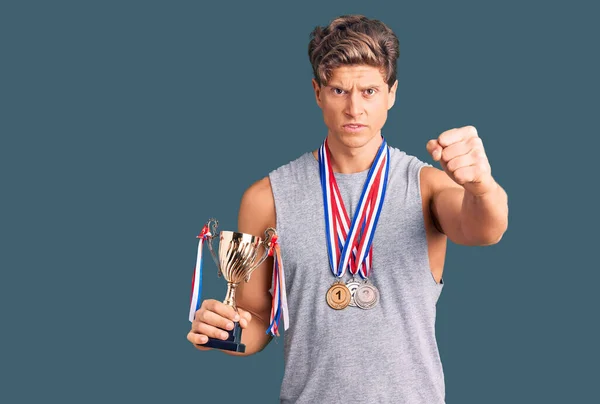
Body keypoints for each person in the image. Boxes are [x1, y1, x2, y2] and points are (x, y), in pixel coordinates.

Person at [187, 14, 508, 403]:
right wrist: (223, 330)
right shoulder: (267, 197)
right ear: (317, 92)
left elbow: (484, 229)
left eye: (369, 91)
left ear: (392, 93)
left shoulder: (426, 186)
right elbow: (257, 319)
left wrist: (482, 187)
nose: (355, 108)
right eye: (339, 91)